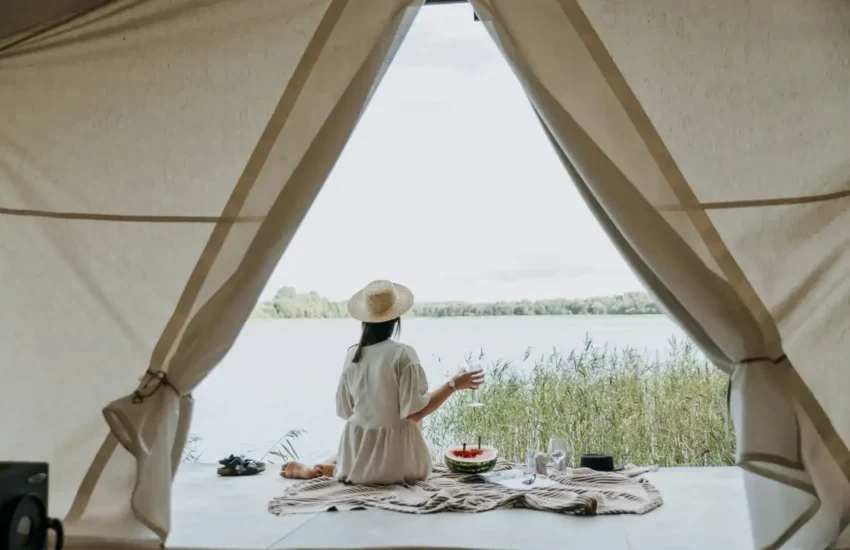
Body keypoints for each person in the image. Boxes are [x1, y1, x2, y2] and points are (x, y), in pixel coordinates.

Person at [281, 279, 484, 484]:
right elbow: (416, 412)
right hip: (397, 465)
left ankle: (330, 468)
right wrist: (453, 385)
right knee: (427, 447)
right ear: (396, 319)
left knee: (358, 439)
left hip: (355, 457)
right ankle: (336, 468)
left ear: (364, 320)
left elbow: (345, 411)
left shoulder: (352, 356)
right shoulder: (403, 355)